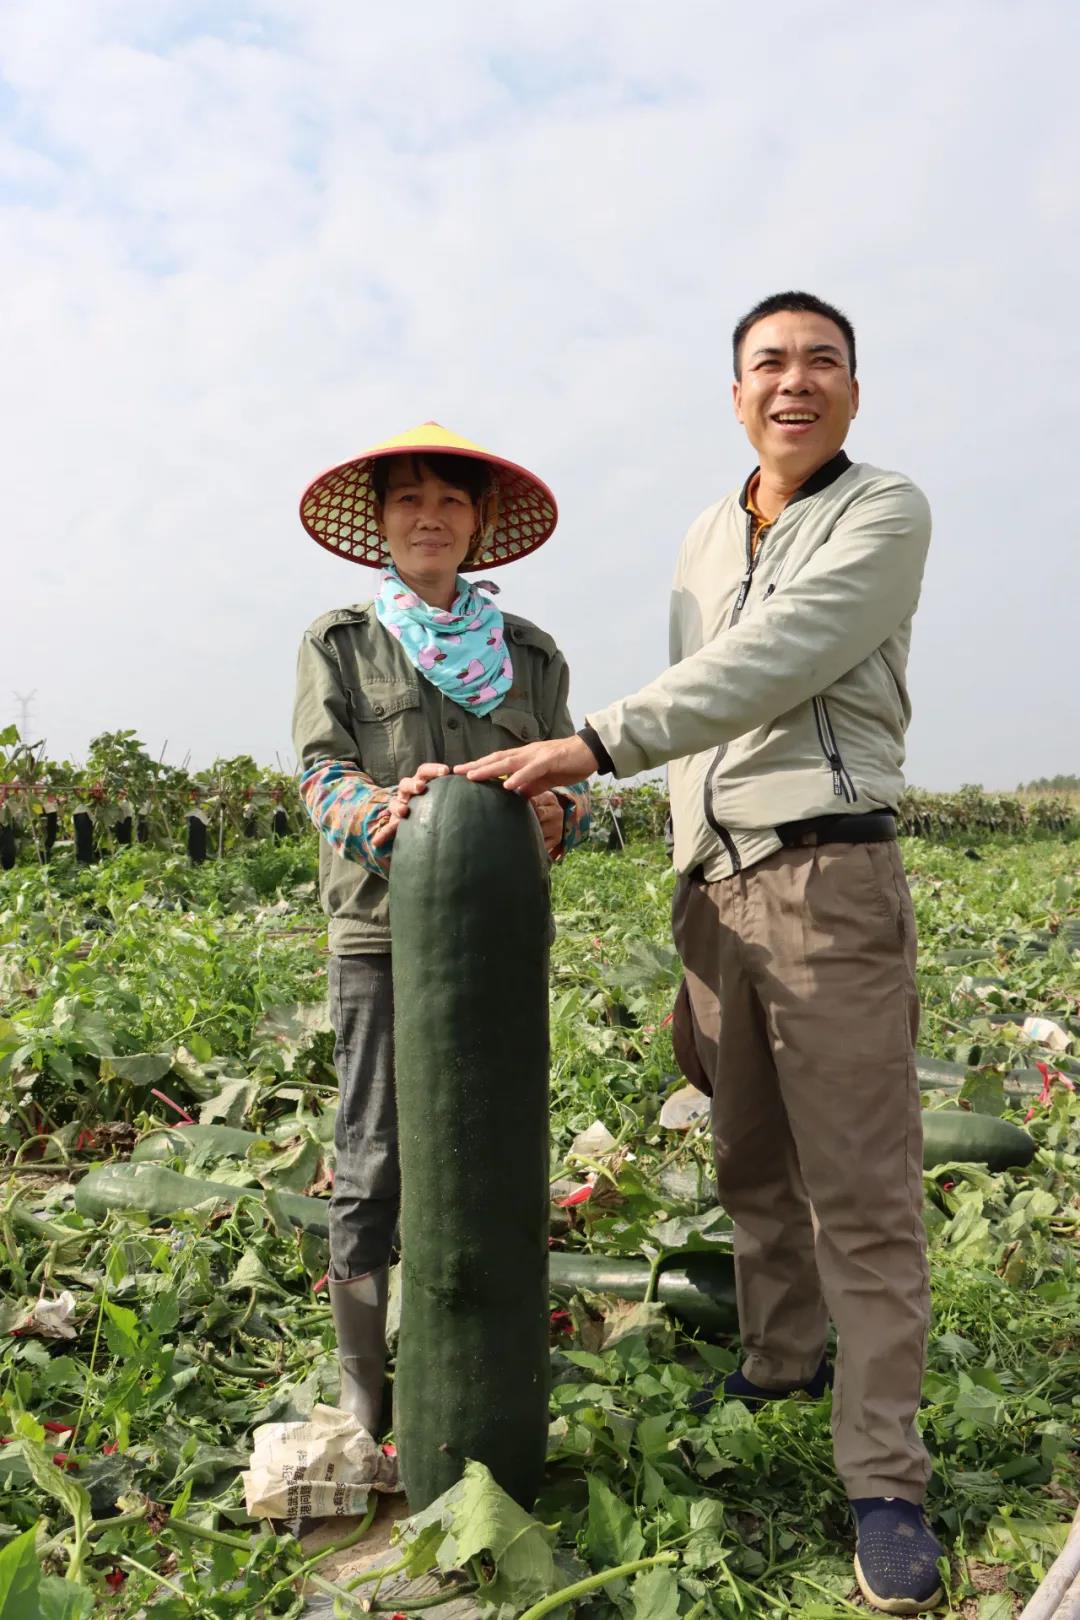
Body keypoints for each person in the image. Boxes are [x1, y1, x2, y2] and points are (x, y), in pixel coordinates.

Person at [458, 295, 944, 1614]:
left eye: (821, 362)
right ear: (736, 391)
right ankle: (784, 1358)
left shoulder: (881, 513)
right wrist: (630, 824)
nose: (795, 382)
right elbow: (701, 714)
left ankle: (885, 1476)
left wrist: (596, 746)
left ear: (854, 386)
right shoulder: (702, 533)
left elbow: (769, 666)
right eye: (769, 363)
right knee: (750, 1159)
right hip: (715, 891)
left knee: (863, 1190)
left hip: (827, 876)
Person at [292, 421, 589, 1441]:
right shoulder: (341, 643)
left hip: (501, 941)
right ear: (382, 524)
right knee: (375, 1156)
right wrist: (389, 819)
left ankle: (489, 1372)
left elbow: (579, 786)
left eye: (451, 502)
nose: (430, 516)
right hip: (381, 936)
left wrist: (565, 817)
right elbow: (321, 774)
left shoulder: (531, 657)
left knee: (496, 1155)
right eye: (410, 499)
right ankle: (365, 1386)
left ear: (477, 527)